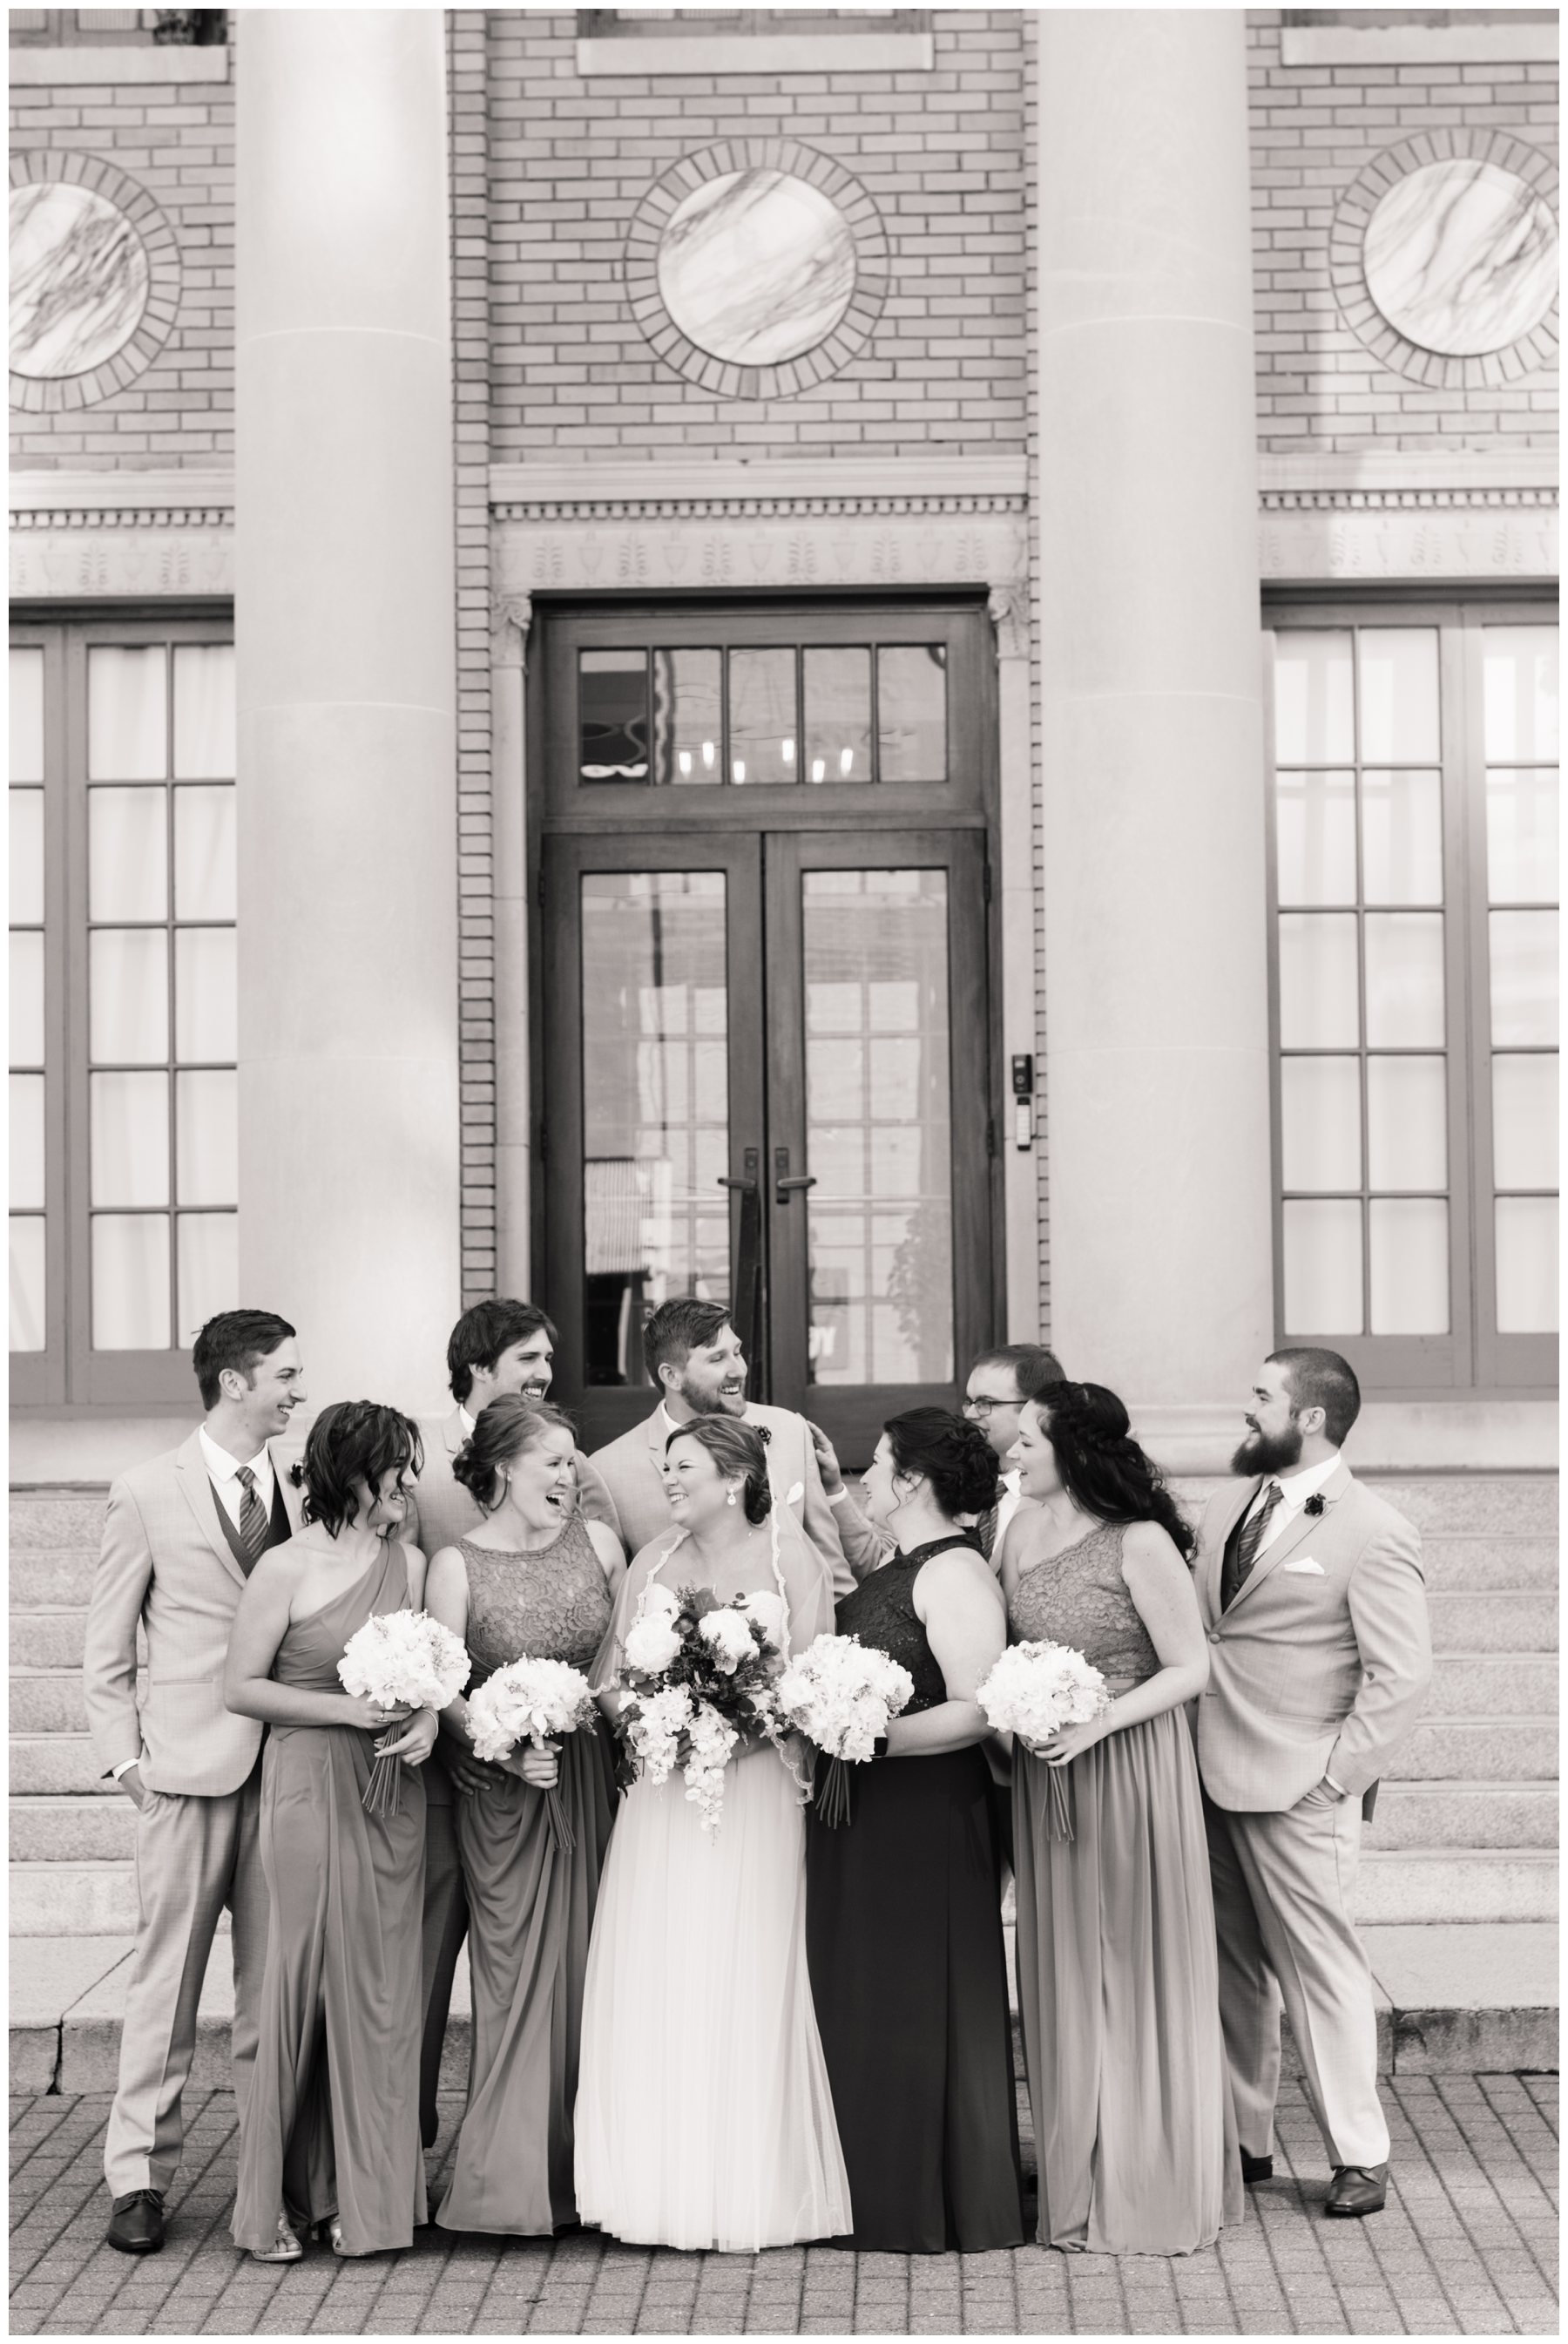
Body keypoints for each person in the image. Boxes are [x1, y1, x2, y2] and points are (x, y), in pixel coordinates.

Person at [574, 1417, 851, 2252]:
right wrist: (656, 1718)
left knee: (747, 1965)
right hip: (662, 1800)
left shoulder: (788, 1559)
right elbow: (611, 1678)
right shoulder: (652, 1561)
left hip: (755, 1799)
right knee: (661, 1964)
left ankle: (747, 2183)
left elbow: (814, 1683)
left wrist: (741, 1722)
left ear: (734, 1476)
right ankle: (652, 2182)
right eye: (666, 1468)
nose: (668, 1481)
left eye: (682, 1467)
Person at [82, 1310, 308, 2257]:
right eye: (287, 1374)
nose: (300, 1388)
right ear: (235, 1381)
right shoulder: (144, 1490)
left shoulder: (305, 1480)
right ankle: (138, 2175)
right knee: (163, 1983)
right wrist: (129, 1763)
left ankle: (268, 2176)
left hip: (290, 1769)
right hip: (182, 1771)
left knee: (273, 1987)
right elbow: (105, 1650)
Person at [1001, 1382, 1241, 2255]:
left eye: (1026, 1438)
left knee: (1133, 1961)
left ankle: (1148, 2177)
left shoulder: (1139, 1540)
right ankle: (1078, 2175)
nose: (1012, 1450)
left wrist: (1101, 1717)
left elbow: (1191, 1668)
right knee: (1063, 1962)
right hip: (1043, 1772)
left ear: (1072, 1446)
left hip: (1130, 1767)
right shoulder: (1021, 1528)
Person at [1197, 1350, 1431, 2221]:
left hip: (1301, 1784)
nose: (1245, 1408)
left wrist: (1336, 1779)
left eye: (1261, 1395)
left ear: (1313, 1418)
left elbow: (1401, 1676)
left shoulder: (1374, 1527)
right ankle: (1244, 2137)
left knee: (1321, 1970)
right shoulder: (1229, 1501)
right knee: (1231, 1969)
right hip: (1207, 1769)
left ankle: (1359, 2153)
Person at [805, 1408, 1024, 2255]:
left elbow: (977, 1707)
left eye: (880, 1461)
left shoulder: (958, 1574)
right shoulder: (903, 1561)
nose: (867, 1474)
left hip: (924, 1810)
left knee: (912, 1996)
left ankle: (919, 2196)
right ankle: (865, 2184)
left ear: (914, 1480)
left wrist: (870, 1736)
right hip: (867, 1809)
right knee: (866, 1991)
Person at [225, 1401, 438, 2261]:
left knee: (380, 1996)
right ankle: (272, 2201)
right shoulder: (285, 1566)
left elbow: (425, 1668)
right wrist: (344, 1707)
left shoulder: (411, 1562)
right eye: (399, 1467)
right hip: (308, 1782)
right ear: (354, 1470)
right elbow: (240, 1687)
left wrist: (423, 1717)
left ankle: (366, 2201)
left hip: (391, 1788)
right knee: (298, 1988)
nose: (412, 1483)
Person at [407, 1297, 621, 2154]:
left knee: (595, 1967)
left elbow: (620, 1655)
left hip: (592, 1778)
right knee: (497, 1974)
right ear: (496, 1469)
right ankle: (457, 2154)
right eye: (552, 1464)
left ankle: (588, 2155)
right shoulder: (444, 1537)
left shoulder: (598, 1538)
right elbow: (436, 1668)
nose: (568, 1477)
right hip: (485, 1784)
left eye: (571, 1463)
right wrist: (493, 1734)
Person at [589, 1298, 879, 1595]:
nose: (738, 1369)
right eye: (717, 1359)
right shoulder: (607, 1471)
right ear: (671, 1376)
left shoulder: (791, 1431)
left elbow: (830, 1569)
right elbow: (619, 1596)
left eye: (737, 1352)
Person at [806, 1339, 1065, 1576]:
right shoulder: (954, 1478)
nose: (971, 1413)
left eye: (986, 1403)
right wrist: (834, 1489)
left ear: (1035, 1407)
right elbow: (882, 1565)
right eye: (968, 1401)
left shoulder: (1058, 1500)